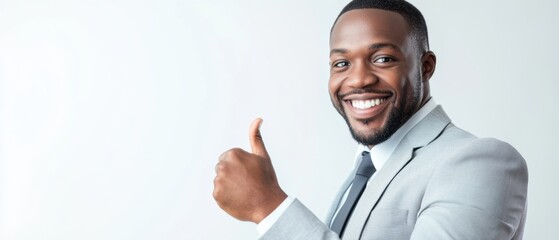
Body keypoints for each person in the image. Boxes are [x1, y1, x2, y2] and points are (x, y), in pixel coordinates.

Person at [213, 0, 528, 239]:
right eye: (341, 63)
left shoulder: (480, 162)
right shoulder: (365, 168)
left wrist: (269, 208)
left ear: (426, 66)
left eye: (383, 59)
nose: (358, 79)